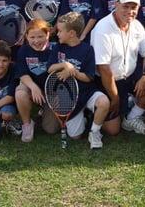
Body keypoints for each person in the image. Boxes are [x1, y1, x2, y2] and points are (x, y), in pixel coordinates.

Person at [90, 0, 145, 136]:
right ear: (116, 4)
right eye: (125, 6)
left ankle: (131, 117)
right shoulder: (103, 28)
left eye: (134, 7)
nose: (130, 11)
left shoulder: (137, 25)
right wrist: (115, 98)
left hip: (129, 77)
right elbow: (104, 68)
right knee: (113, 130)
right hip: (106, 81)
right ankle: (100, 108)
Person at [47, 12, 110, 149]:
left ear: (71, 33)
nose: (57, 34)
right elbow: (50, 68)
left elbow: (88, 77)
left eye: (60, 31)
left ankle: (95, 132)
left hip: (86, 92)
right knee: (75, 136)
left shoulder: (87, 49)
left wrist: (73, 72)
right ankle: (86, 116)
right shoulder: (58, 47)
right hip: (68, 97)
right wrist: (65, 65)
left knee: (104, 102)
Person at [14, 19, 54, 142]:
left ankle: (43, 111)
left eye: (40, 36)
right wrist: (33, 87)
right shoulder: (23, 50)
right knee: (20, 93)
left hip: (51, 90)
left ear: (48, 34)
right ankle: (27, 124)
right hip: (32, 88)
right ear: (26, 36)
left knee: (51, 129)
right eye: (32, 37)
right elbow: (22, 73)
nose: (36, 41)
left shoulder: (55, 49)